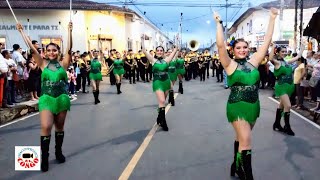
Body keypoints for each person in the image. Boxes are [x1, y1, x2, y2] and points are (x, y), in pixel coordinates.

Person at [214, 8, 278, 180]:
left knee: (241, 139)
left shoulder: (254, 62)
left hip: (253, 106)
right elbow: (220, 45)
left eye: (244, 47)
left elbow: (267, 41)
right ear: (233, 50)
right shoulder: (229, 64)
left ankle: (235, 165)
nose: (242, 50)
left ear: (248, 49)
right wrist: (218, 24)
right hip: (237, 106)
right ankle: (247, 175)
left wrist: (272, 18)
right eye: (238, 48)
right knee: (247, 141)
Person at [17, 21, 73, 172]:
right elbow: (31, 48)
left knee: (60, 126)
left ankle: (58, 151)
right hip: (46, 99)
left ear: (58, 52)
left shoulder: (64, 64)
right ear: (46, 52)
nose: (52, 52)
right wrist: (22, 32)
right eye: (49, 50)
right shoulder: (42, 63)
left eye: (54, 50)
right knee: (46, 126)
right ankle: (45, 157)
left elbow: (69, 48)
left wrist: (70, 31)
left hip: (62, 98)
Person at [141, 34, 178, 131]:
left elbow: (175, 49)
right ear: (156, 52)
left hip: (166, 82)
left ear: (163, 52)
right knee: (161, 101)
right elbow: (144, 51)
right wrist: (142, 39)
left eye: (161, 50)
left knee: (163, 102)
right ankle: (163, 122)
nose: (159, 52)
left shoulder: (167, 60)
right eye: (158, 50)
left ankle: (159, 118)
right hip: (157, 82)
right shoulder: (153, 60)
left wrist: (177, 40)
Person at [270, 42, 304, 136]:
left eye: (285, 51)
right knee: (288, 106)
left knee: (281, 105)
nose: (285, 53)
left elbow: (298, 57)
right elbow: (270, 58)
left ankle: (277, 124)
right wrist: (273, 46)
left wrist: (302, 48)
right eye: (283, 51)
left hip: (289, 87)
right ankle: (287, 126)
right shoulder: (277, 63)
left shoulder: (286, 61)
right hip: (281, 87)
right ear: (278, 53)